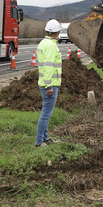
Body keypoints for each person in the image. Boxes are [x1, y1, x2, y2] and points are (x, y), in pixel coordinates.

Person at [35, 19, 62, 147]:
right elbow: (48, 66)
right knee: (46, 114)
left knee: (46, 113)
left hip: (45, 83)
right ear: (58, 33)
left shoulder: (42, 43)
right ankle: (39, 142)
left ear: (46, 31)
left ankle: (45, 139)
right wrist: (49, 85)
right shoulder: (51, 46)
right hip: (50, 84)